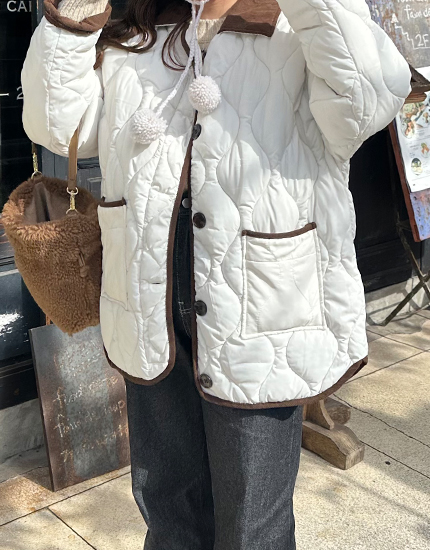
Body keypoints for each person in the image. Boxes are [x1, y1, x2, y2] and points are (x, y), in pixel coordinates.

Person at [21, 0, 411, 548]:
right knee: (169, 515)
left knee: (252, 528)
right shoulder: (140, 29)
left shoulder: (292, 22)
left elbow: (369, 101)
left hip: (260, 315)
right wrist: (74, 14)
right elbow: (55, 125)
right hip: (149, 306)